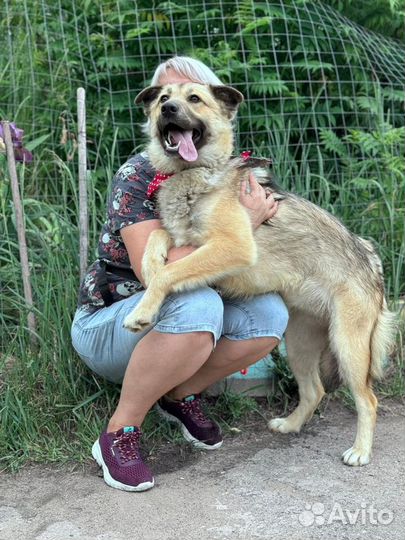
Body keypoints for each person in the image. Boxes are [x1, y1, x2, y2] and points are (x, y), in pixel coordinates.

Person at [71, 56, 289, 492]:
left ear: (221, 112)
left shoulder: (231, 175)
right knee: (198, 304)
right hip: (114, 324)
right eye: (163, 99)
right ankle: (119, 432)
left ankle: (177, 393)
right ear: (152, 116)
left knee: (269, 315)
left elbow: (239, 259)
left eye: (192, 96)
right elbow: (156, 275)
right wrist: (242, 224)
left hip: (179, 325)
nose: (173, 105)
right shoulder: (138, 175)